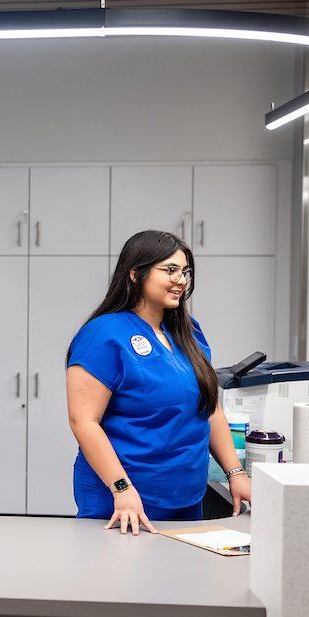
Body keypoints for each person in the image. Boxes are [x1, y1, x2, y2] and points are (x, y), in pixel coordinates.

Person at [65, 229, 251, 535]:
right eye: (170, 270)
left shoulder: (188, 331)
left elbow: (209, 407)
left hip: (187, 495)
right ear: (136, 274)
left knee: (182, 580)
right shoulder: (103, 335)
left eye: (185, 272)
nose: (181, 280)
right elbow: (83, 421)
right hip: (125, 499)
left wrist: (235, 473)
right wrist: (122, 489)